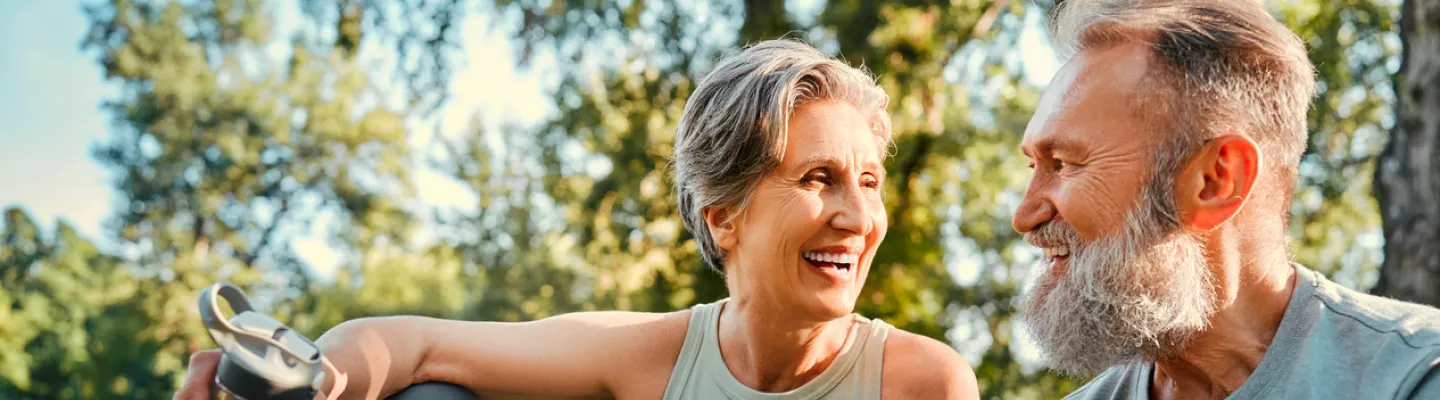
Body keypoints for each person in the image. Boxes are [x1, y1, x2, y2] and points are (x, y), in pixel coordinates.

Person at [174, 39, 980, 400]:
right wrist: (316, 380)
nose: (858, 216)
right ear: (724, 218)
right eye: (818, 178)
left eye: (868, 181)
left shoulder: (921, 383)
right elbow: (413, 342)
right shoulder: (654, 360)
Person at [1012, 0, 1440, 399]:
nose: (1025, 216)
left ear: (1218, 180)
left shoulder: (1415, 375)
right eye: (1034, 166)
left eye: (1064, 163)